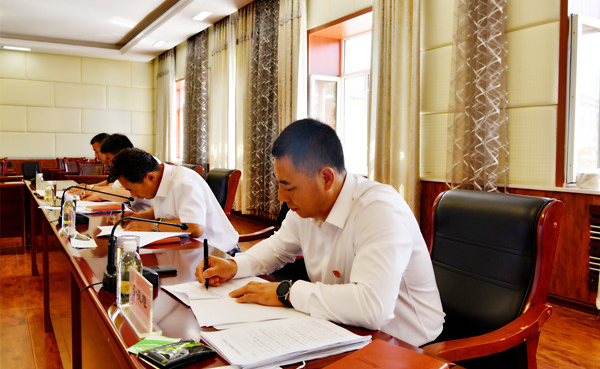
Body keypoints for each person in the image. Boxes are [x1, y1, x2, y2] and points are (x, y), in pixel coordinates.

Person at [195, 119, 445, 347]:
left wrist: (287, 292)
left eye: (289, 187)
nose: (282, 197)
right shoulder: (307, 209)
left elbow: (372, 307)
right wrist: (234, 266)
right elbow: (276, 249)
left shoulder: (379, 209)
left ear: (326, 177)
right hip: (344, 331)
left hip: (409, 347)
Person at [110, 147, 239, 253]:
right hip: (187, 247)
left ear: (150, 177)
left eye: (132, 189)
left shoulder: (183, 182)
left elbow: (194, 227)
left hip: (216, 252)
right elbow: (159, 211)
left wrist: (151, 225)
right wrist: (137, 217)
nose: (133, 195)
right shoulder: (160, 179)